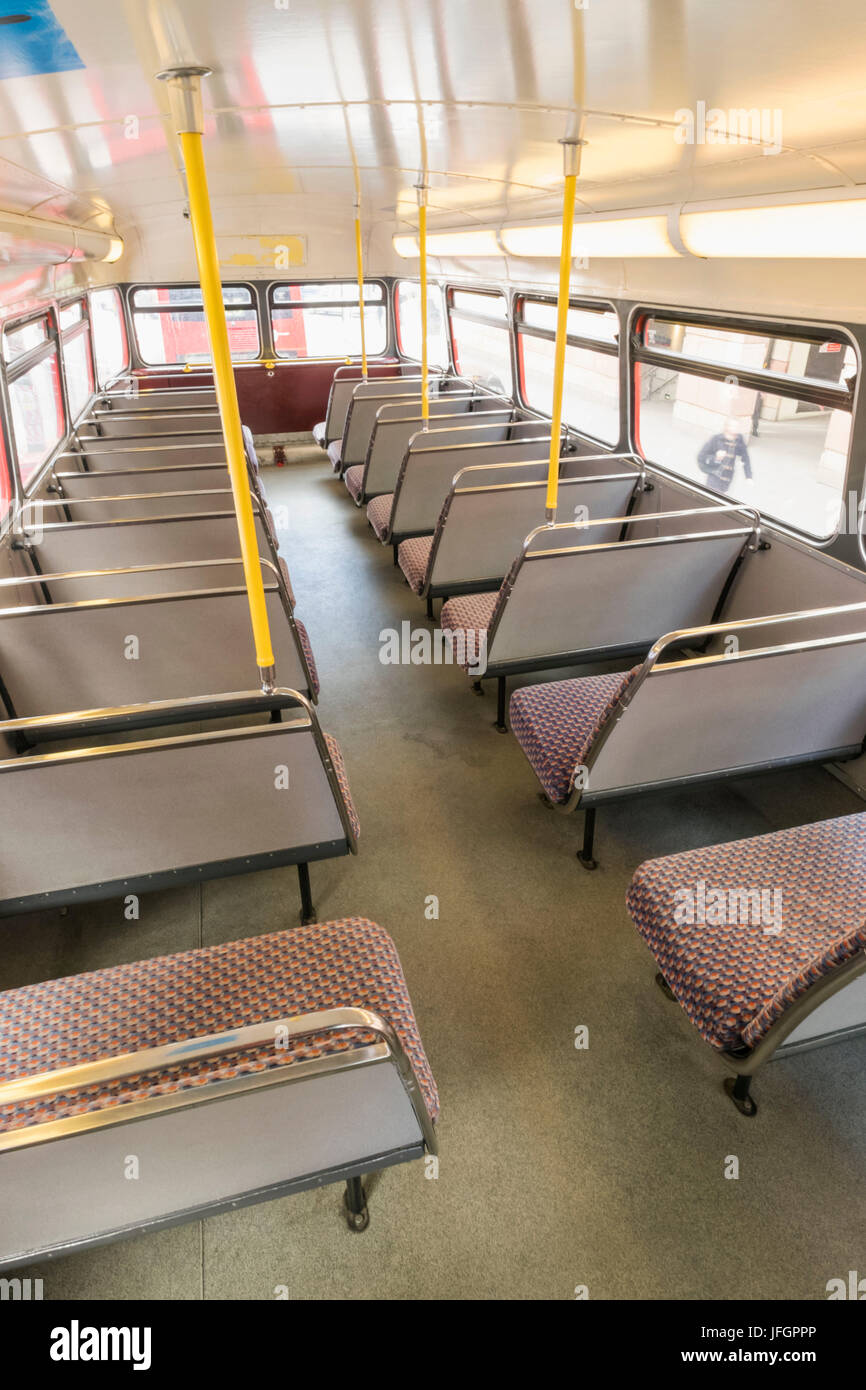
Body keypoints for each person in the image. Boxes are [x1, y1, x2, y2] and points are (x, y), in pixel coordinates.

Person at [697, 417, 753, 495]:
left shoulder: (739, 440)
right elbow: (701, 456)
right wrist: (716, 458)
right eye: (734, 426)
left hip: (727, 479)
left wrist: (748, 476)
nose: (736, 429)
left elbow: (745, 458)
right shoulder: (716, 439)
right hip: (714, 477)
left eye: (737, 427)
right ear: (727, 427)